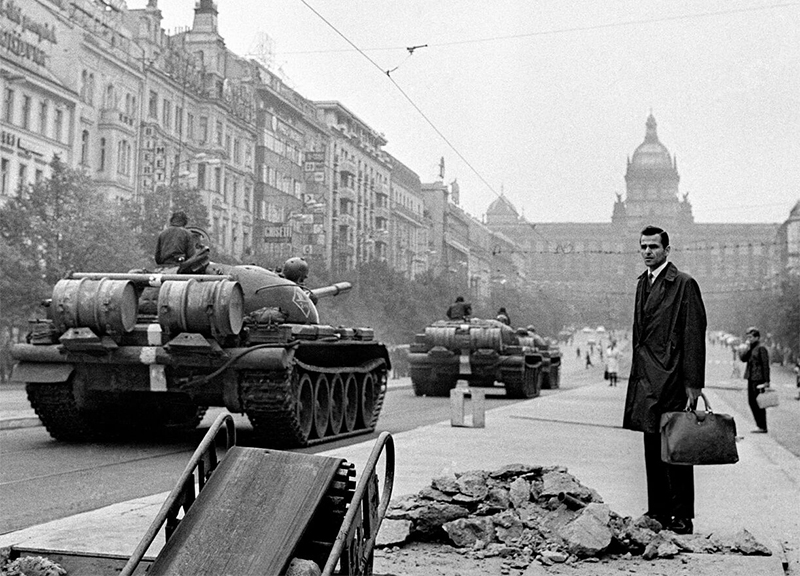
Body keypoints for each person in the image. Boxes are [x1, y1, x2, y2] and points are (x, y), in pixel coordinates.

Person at [623, 225, 707, 535]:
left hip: (672, 378)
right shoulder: (642, 284)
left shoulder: (684, 284)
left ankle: (682, 515)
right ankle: (657, 510)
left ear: (667, 251)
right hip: (646, 380)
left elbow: (694, 333)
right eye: (643, 246)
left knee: (677, 448)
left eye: (654, 247)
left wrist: (694, 382)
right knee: (651, 446)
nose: (648, 252)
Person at [739, 327, 770, 433]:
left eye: (751, 337)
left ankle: (762, 425)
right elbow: (743, 359)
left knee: (759, 402)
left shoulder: (761, 348)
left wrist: (766, 381)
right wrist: (747, 348)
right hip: (751, 377)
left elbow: (765, 365)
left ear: (757, 337)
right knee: (751, 401)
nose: (749, 339)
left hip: (759, 378)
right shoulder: (751, 348)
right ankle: (759, 424)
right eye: (748, 337)